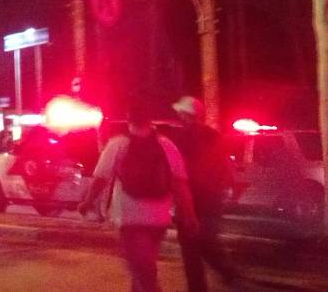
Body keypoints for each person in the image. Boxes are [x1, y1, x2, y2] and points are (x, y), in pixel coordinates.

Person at [79, 111, 198, 292]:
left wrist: (87, 202)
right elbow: (180, 183)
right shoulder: (166, 145)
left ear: (129, 121)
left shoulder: (118, 144)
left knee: (144, 272)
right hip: (159, 218)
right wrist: (190, 215)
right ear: (150, 122)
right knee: (143, 268)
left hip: (130, 219)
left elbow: (100, 179)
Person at [172, 96, 237, 291]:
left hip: (190, 198)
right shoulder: (214, 135)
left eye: (181, 113)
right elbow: (226, 166)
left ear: (186, 115)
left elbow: (176, 170)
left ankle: (198, 287)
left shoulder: (181, 138)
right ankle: (228, 274)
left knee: (190, 248)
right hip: (212, 199)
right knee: (208, 242)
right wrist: (226, 188)